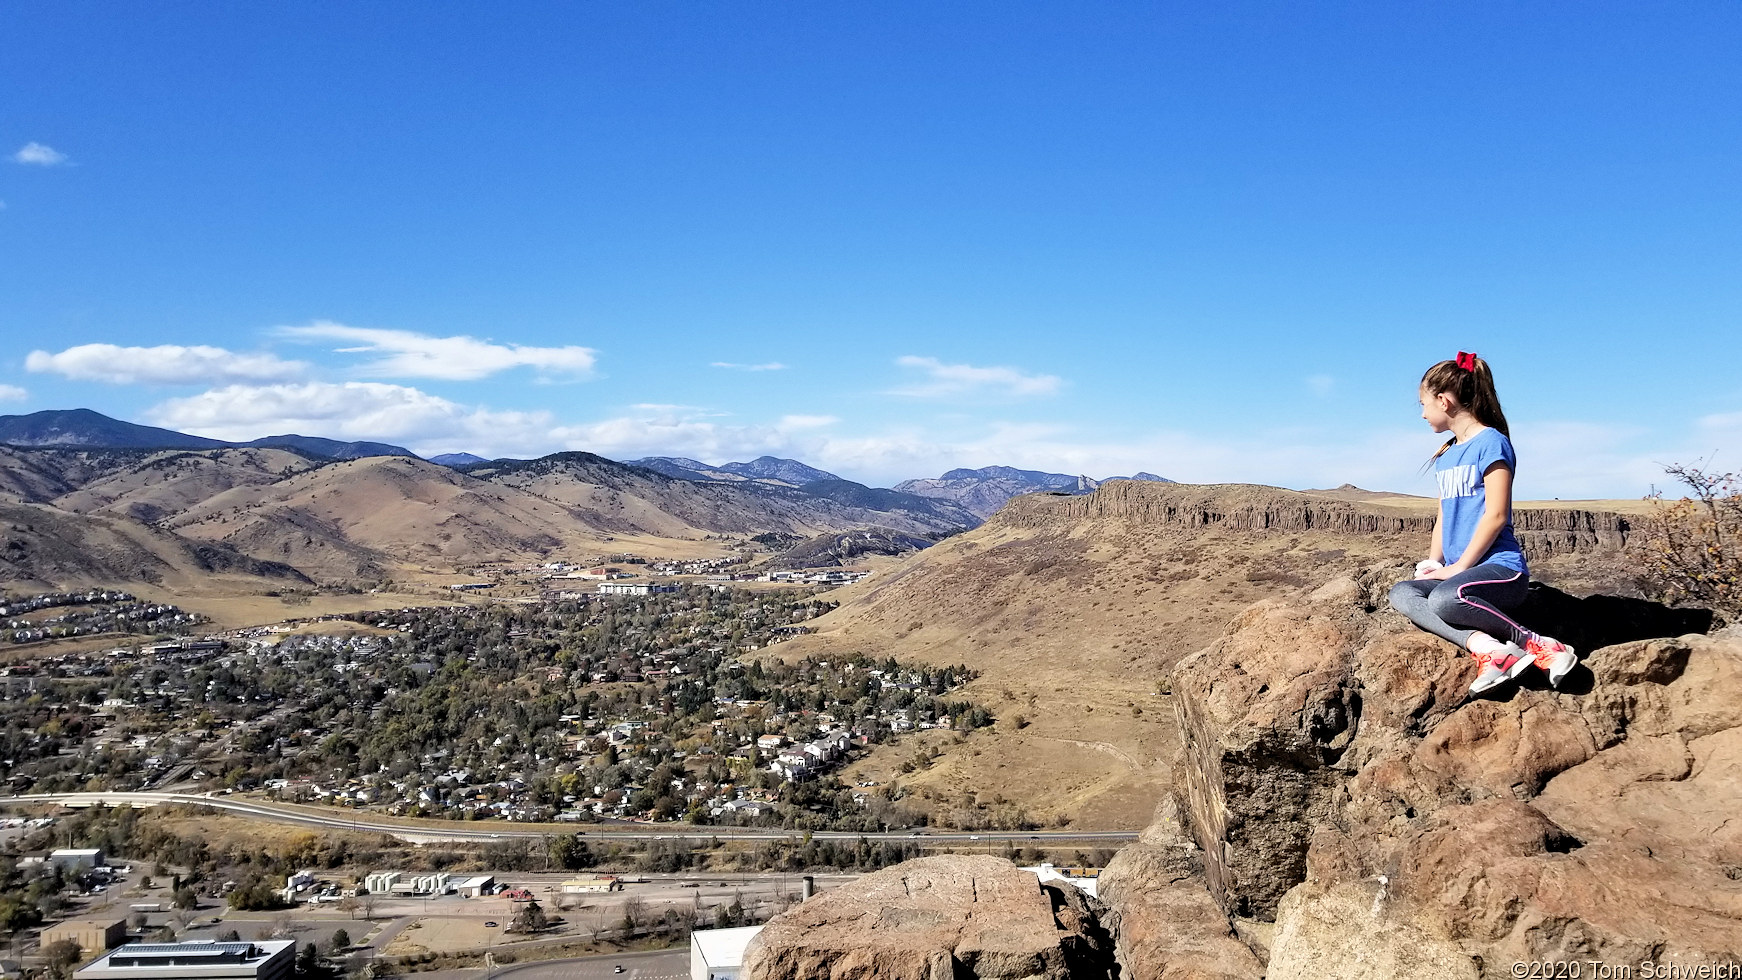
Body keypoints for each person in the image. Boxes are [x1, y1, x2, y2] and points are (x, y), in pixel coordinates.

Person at [1388, 352, 1578, 694]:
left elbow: (1497, 515)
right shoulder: (1446, 455)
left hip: (1500, 571)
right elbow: (1445, 514)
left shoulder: (1492, 443)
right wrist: (1435, 562)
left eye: (1423, 403)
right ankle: (1489, 649)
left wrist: (1459, 567)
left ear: (1444, 402)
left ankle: (1542, 645)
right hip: (1461, 574)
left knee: (1446, 600)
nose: (1421, 413)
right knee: (1403, 592)